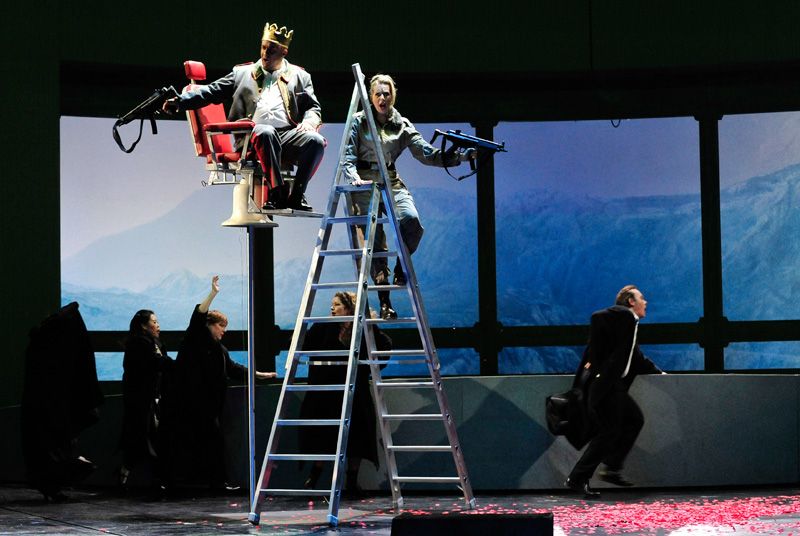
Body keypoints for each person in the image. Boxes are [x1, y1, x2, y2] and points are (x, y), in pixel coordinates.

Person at [342, 74, 474, 319]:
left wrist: (462, 157)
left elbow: (427, 153)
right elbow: (347, 156)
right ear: (371, 97)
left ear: (393, 96)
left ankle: (401, 266)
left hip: (389, 178)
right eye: (378, 94)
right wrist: (353, 178)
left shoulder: (401, 124)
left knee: (411, 221)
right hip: (363, 180)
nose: (382, 98)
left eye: (387, 93)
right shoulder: (359, 121)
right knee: (374, 241)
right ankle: (385, 302)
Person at [163, 22, 324, 211]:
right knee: (265, 131)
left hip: (286, 137)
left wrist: (309, 122)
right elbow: (211, 91)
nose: (265, 54)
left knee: (316, 141)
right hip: (252, 138)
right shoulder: (242, 73)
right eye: (263, 47)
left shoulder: (300, 76)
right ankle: (277, 192)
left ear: (284, 52)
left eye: (271, 50)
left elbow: (314, 108)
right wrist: (180, 101)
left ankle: (297, 195)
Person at [167, 276, 275, 492]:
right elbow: (198, 315)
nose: (223, 330)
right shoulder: (195, 338)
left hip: (208, 407)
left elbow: (233, 368)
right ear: (209, 325)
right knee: (202, 443)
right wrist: (213, 293)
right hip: (191, 404)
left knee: (209, 443)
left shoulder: (219, 349)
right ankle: (206, 482)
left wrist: (258, 375)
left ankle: (211, 482)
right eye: (220, 326)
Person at [565, 285, 666, 498]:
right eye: (641, 298)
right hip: (606, 386)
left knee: (631, 421)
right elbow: (602, 316)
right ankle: (582, 476)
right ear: (631, 302)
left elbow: (636, 357)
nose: (645, 302)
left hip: (612, 386)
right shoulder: (625, 317)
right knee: (611, 430)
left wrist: (660, 373)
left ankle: (608, 468)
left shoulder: (629, 325)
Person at [297, 292, 392, 494]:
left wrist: (370, 367)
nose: (332, 308)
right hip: (328, 391)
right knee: (324, 433)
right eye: (332, 304)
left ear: (349, 308)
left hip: (354, 390)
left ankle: (351, 481)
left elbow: (383, 345)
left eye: (337, 305)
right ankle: (315, 474)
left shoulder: (363, 328)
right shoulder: (323, 327)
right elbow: (303, 343)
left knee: (358, 433)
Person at [118, 309, 173, 491]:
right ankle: (154, 479)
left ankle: (130, 476)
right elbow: (156, 363)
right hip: (141, 401)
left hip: (151, 400)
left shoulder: (153, 343)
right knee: (145, 438)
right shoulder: (139, 344)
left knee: (144, 440)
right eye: (154, 322)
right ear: (143, 325)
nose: (158, 326)